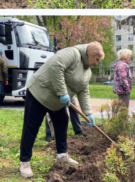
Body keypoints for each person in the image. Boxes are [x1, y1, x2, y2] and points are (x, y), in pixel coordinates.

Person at [19, 42, 104, 179]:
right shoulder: (72, 53)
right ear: (90, 55)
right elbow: (55, 67)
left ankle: (61, 155)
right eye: (97, 59)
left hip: (57, 101)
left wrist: (88, 114)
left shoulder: (87, 71)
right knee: (31, 126)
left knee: (62, 121)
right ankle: (25, 162)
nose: (97, 63)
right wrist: (63, 92)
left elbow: (84, 91)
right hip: (39, 92)